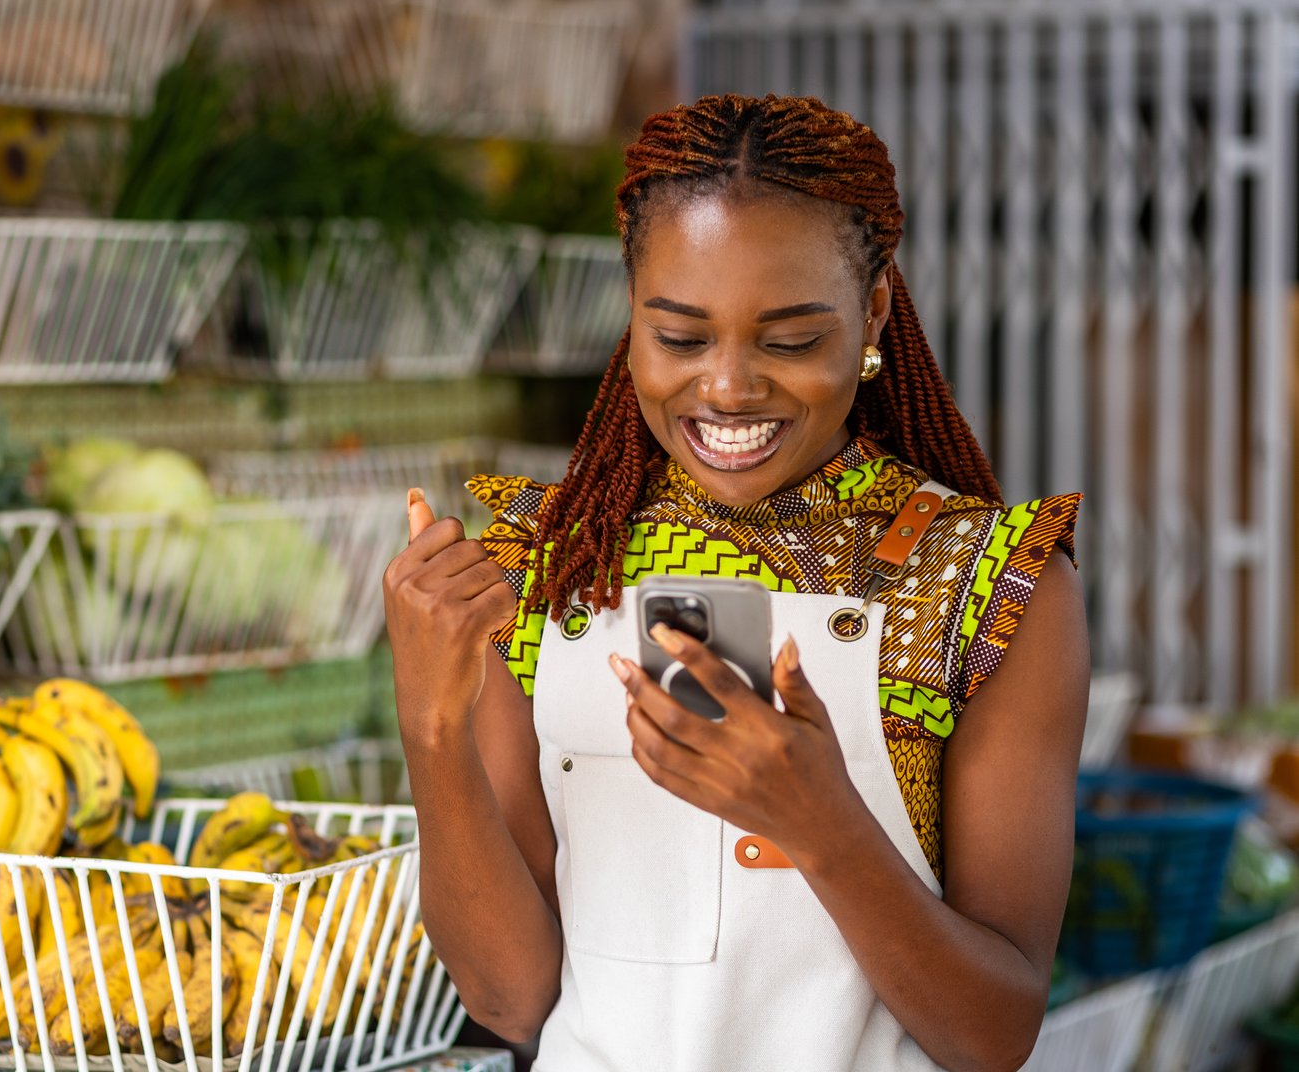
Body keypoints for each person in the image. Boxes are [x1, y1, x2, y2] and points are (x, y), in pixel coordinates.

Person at [383, 93, 1088, 1071]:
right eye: (679, 337)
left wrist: (821, 826)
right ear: (630, 315)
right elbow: (512, 997)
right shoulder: (546, 565)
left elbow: (992, 1036)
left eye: (790, 340)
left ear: (875, 309)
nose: (726, 387)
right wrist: (432, 723)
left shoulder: (987, 585)